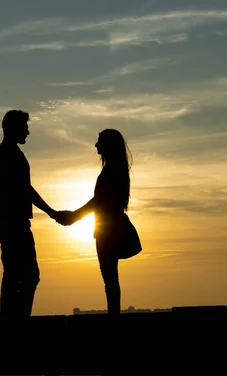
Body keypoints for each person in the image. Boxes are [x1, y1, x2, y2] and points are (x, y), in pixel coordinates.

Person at [59, 129, 141, 316]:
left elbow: (98, 201)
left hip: (108, 230)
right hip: (110, 227)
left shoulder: (111, 170)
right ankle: (114, 315)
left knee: (110, 279)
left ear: (108, 145)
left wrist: (74, 216)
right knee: (111, 279)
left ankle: (113, 317)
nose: (96, 145)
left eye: (99, 141)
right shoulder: (116, 169)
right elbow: (99, 200)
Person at [0, 109, 62, 318]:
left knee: (17, 274)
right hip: (13, 221)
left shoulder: (7, 152)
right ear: (14, 128)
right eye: (25, 127)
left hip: (11, 219)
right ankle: (17, 318)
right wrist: (51, 212)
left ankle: (14, 317)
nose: (28, 132)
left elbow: (12, 189)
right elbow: (24, 189)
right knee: (27, 275)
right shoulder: (9, 153)